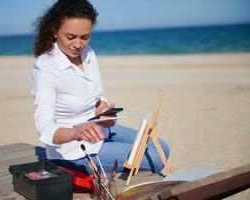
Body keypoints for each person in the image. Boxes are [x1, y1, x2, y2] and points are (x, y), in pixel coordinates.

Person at [31, 0, 169, 174]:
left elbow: (95, 97)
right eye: (71, 37)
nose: (78, 44)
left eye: (85, 37)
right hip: (74, 151)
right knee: (156, 159)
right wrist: (75, 133)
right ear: (55, 31)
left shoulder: (88, 53)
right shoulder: (45, 69)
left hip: (100, 130)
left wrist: (104, 111)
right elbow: (45, 128)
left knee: (163, 148)